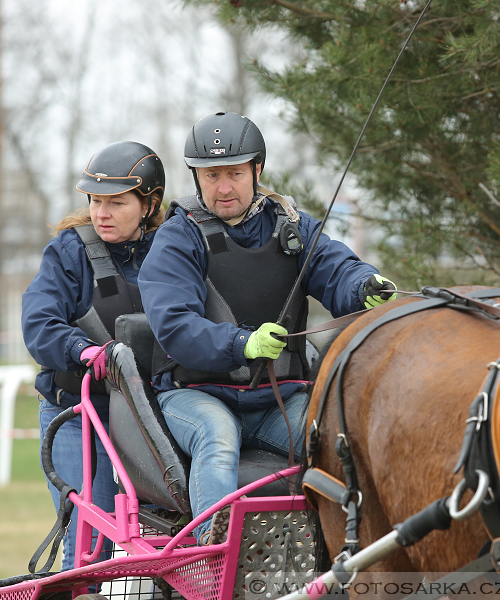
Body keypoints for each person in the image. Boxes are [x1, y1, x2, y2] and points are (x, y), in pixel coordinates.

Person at [138, 111, 397, 545]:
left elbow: (336, 270)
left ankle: (350, 556)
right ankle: (212, 560)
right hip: (196, 396)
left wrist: (363, 286)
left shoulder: (291, 225)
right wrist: (242, 343)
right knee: (217, 437)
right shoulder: (177, 238)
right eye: (212, 175)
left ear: (257, 170)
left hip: (278, 398)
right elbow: (175, 325)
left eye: (235, 173)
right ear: (197, 176)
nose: (223, 187)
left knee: (340, 437)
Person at [22, 141, 165, 570]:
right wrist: (83, 350)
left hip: (155, 421)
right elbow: (39, 324)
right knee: (91, 551)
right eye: (95, 200)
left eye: (116, 202)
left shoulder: (176, 248)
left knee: (163, 545)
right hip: (80, 415)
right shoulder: (69, 251)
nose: (101, 212)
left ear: (149, 203)